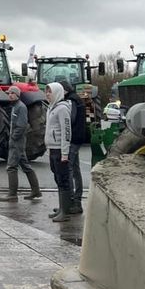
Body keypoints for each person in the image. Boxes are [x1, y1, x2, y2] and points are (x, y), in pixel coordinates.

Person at [0, 86, 41, 202]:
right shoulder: (15, 107)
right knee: (25, 166)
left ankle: (12, 194)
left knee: (11, 167)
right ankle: (36, 190)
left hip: (17, 142)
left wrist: (13, 137)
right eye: (9, 93)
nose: (10, 95)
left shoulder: (20, 107)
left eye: (12, 93)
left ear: (17, 94)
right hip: (17, 141)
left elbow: (22, 126)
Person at [45, 83, 74, 223]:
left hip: (59, 150)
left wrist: (64, 152)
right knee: (58, 179)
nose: (47, 94)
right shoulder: (51, 108)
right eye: (46, 92)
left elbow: (66, 131)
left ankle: (65, 212)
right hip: (52, 149)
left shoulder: (62, 109)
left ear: (57, 93)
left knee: (63, 180)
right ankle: (62, 208)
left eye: (49, 92)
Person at [60, 81, 88, 214]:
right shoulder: (77, 99)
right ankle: (76, 201)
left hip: (73, 138)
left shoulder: (71, 101)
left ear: (64, 90)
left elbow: (70, 120)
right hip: (78, 137)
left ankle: (72, 201)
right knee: (75, 169)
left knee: (69, 169)